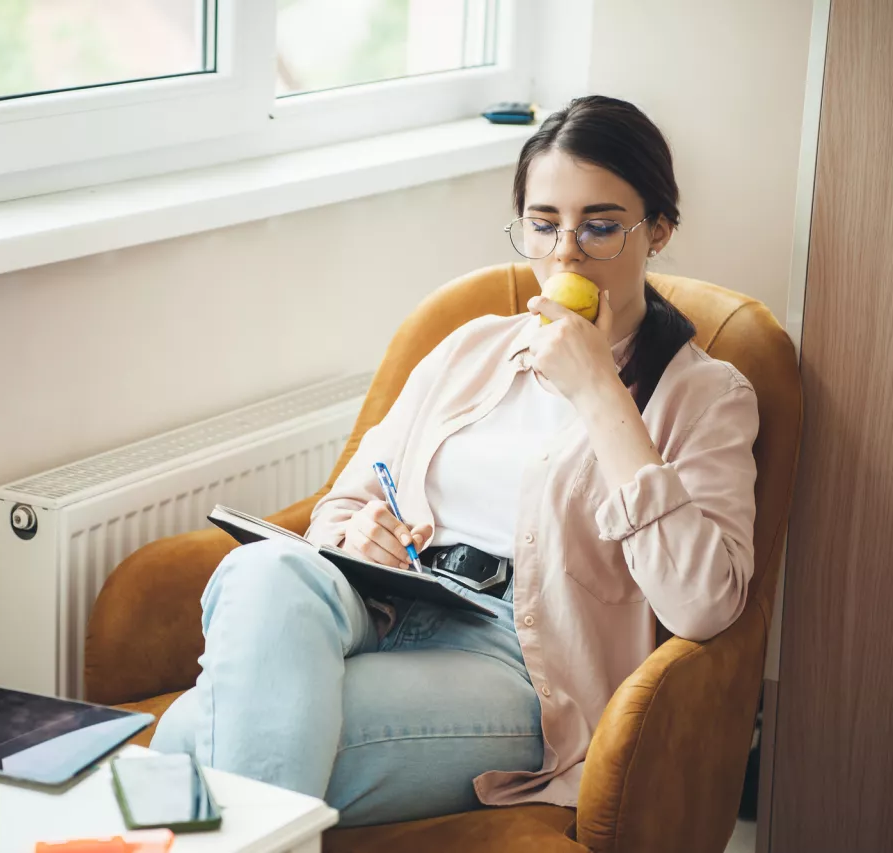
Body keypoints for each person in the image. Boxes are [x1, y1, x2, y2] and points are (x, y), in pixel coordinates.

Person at [150, 95, 760, 827]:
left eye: (600, 227)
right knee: (263, 568)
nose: (565, 253)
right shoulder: (470, 348)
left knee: (191, 739)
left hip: (517, 665)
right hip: (385, 601)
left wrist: (601, 394)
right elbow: (341, 506)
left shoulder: (708, 395)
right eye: (543, 225)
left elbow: (705, 602)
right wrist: (358, 535)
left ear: (657, 230)